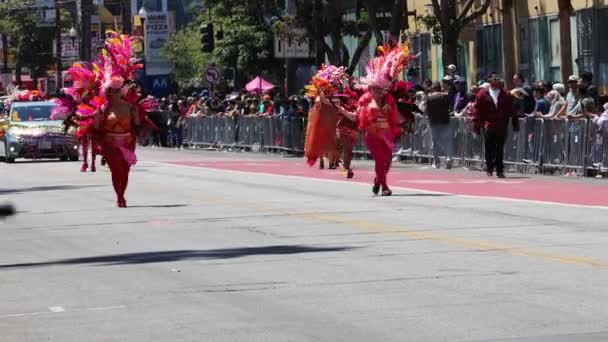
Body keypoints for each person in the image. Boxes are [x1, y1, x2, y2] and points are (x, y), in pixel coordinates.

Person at [56, 32, 156, 208]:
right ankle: (119, 196)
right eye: (114, 91)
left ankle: (122, 192)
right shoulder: (103, 108)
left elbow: (138, 125)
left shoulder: (129, 107)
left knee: (125, 171)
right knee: (116, 168)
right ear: (109, 93)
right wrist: (95, 118)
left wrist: (137, 119)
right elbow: (95, 129)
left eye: (119, 91)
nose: (118, 93)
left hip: (127, 142)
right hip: (110, 144)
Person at [358, 44, 409, 196]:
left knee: (387, 162)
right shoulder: (365, 100)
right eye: (375, 89)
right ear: (371, 88)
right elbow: (360, 117)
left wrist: (402, 124)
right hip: (372, 135)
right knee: (380, 160)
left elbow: (395, 116)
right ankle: (385, 186)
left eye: (381, 90)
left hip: (387, 134)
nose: (378, 92)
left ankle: (377, 180)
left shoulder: (389, 100)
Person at [472, 73, 519, 178]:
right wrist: (476, 125)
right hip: (488, 125)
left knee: (499, 148)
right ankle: (489, 168)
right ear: (490, 81)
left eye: (497, 80)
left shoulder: (506, 94)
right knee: (489, 148)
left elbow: (512, 110)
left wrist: (515, 123)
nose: (495, 82)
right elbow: (477, 110)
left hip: (501, 125)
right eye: (493, 80)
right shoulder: (482, 94)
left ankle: (499, 170)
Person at [425, 81, 453, 169]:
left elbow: (427, 111)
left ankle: (436, 162)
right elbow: (450, 108)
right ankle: (448, 158)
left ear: (433, 88)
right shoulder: (446, 95)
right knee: (447, 141)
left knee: (435, 142)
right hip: (445, 121)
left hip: (434, 122)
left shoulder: (429, 97)